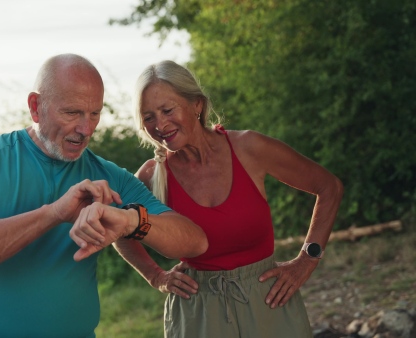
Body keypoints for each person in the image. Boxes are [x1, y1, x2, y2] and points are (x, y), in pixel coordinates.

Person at [0, 54, 207, 338]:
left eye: (94, 114)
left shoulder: (109, 176)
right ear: (35, 107)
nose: (86, 129)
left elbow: (193, 241)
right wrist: (54, 213)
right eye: (72, 113)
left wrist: (130, 222)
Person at [113, 60, 344, 338]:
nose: (159, 124)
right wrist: (156, 276)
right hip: (198, 312)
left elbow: (328, 187)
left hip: (269, 303)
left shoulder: (249, 148)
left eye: (167, 110)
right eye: (148, 117)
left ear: (196, 104)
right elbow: (120, 229)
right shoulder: (152, 175)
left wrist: (308, 259)